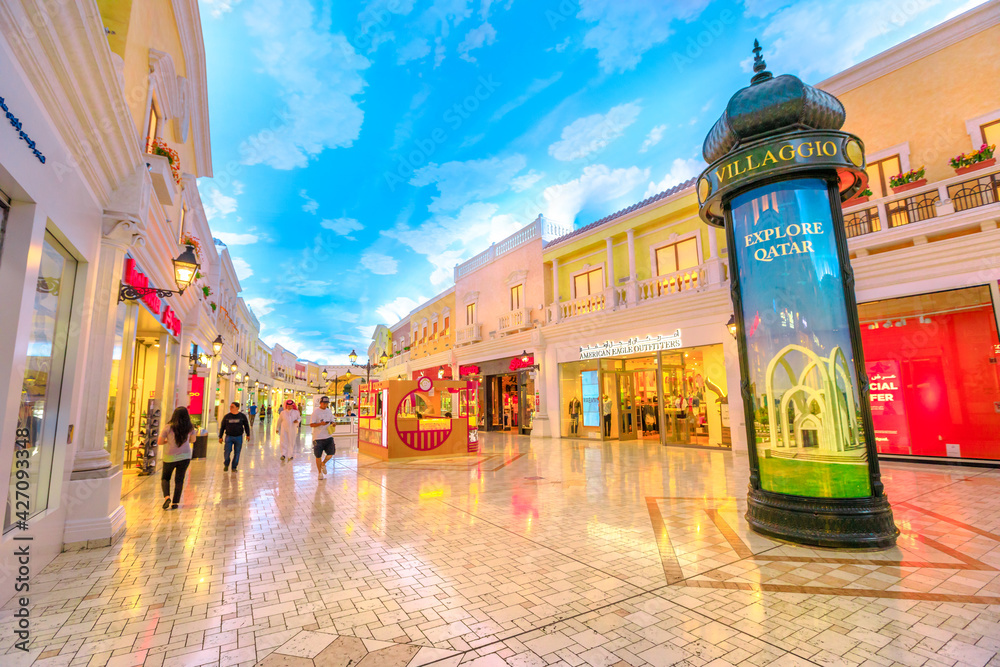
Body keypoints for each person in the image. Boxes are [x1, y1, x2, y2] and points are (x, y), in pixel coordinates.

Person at [158, 406, 196, 510]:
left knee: (165, 478)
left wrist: (168, 441)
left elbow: (160, 442)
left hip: (170, 456)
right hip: (185, 456)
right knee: (179, 480)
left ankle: (167, 498)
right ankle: (175, 503)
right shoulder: (190, 427)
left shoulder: (168, 427)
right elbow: (193, 440)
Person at [219, 401, 251, 472]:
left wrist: (248, 435)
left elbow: (246, 426)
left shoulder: (242, 416)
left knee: (237, 452)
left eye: (232, 407)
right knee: (227, 451)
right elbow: (222, 427)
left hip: (238, 437)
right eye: (230, 407)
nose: (230, 408)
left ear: (237, 408)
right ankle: (226, 463)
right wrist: (220, 437)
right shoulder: (227, 417)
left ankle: (234, 467)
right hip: (229, 437)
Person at [309, 396, 336, 479]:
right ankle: (319, 473)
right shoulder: (315, 412)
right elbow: (311, 424)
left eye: (326, 403)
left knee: (331, 453)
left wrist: (333, 424)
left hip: (328, 436)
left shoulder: (329, 411)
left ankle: (323, 463)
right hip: (318, 437)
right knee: (318, 456)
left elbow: (332, 420)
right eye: (324, 403)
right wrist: (320, 424)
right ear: (320, 403)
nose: (325, 405)